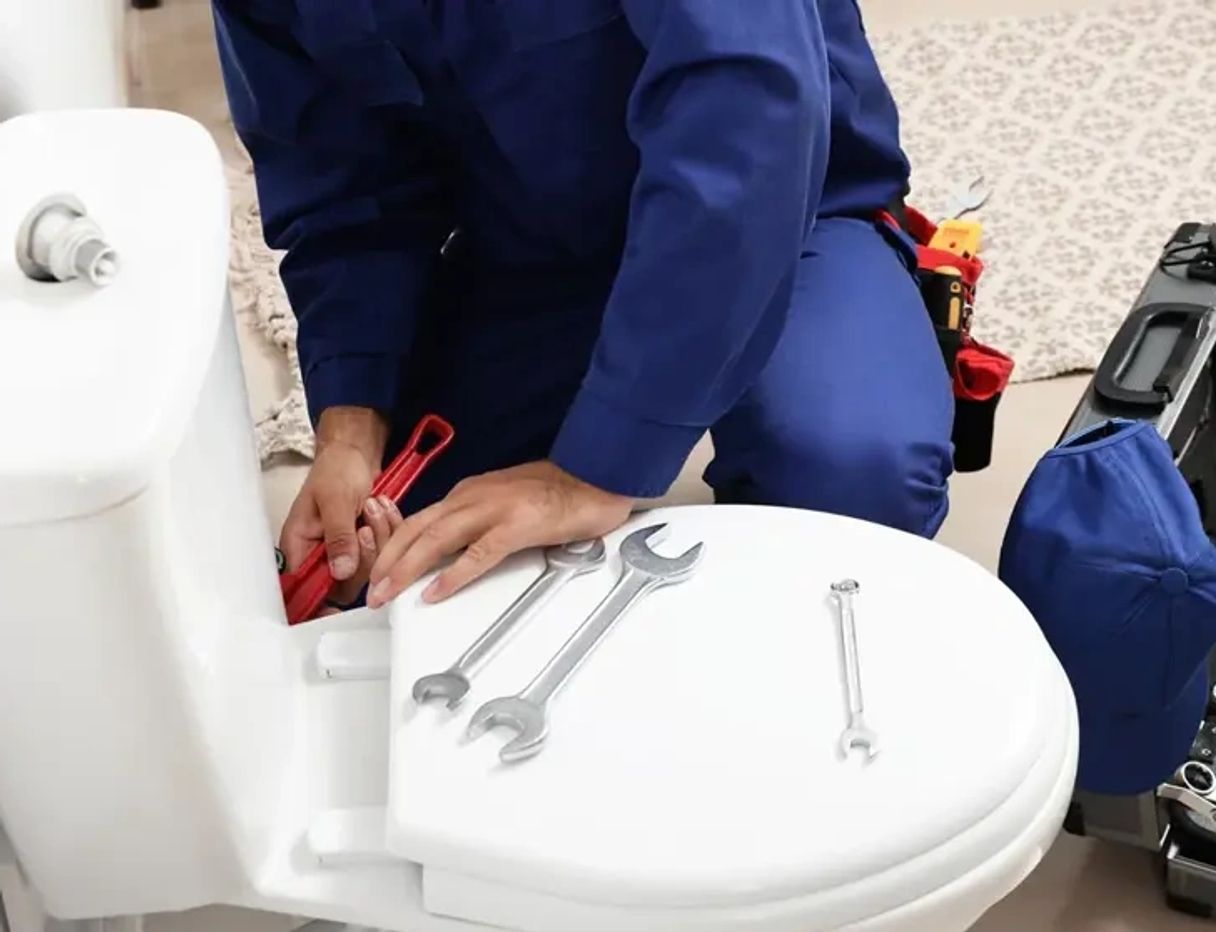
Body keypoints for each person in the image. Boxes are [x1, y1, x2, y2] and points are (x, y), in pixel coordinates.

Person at [212, 0, 954, 614]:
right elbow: (341, 196)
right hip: (530, 248)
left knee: (849, 468)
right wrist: (350, 426)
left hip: (787, 212)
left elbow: (746, 117)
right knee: (399, 548)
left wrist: (596, 471)